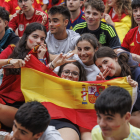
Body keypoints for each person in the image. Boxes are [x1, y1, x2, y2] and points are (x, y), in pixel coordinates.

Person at [0, 22, 75, 129]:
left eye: (42, 38)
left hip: (24, 105)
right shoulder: (12, 50)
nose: (39, 41)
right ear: (26, 37)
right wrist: (10, 61)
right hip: (3, 98)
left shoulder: (43, 54)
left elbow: (42, 82)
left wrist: (45, 61)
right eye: (35, 37)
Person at [93, 47, 140, 128]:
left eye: (106, 62)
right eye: (100, 66)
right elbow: (100, 107)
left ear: (115, 58)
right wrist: (100, 87)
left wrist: (136, 90)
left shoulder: (137, 72)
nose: (104, 68)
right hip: (117, 114)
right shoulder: (102, 77)